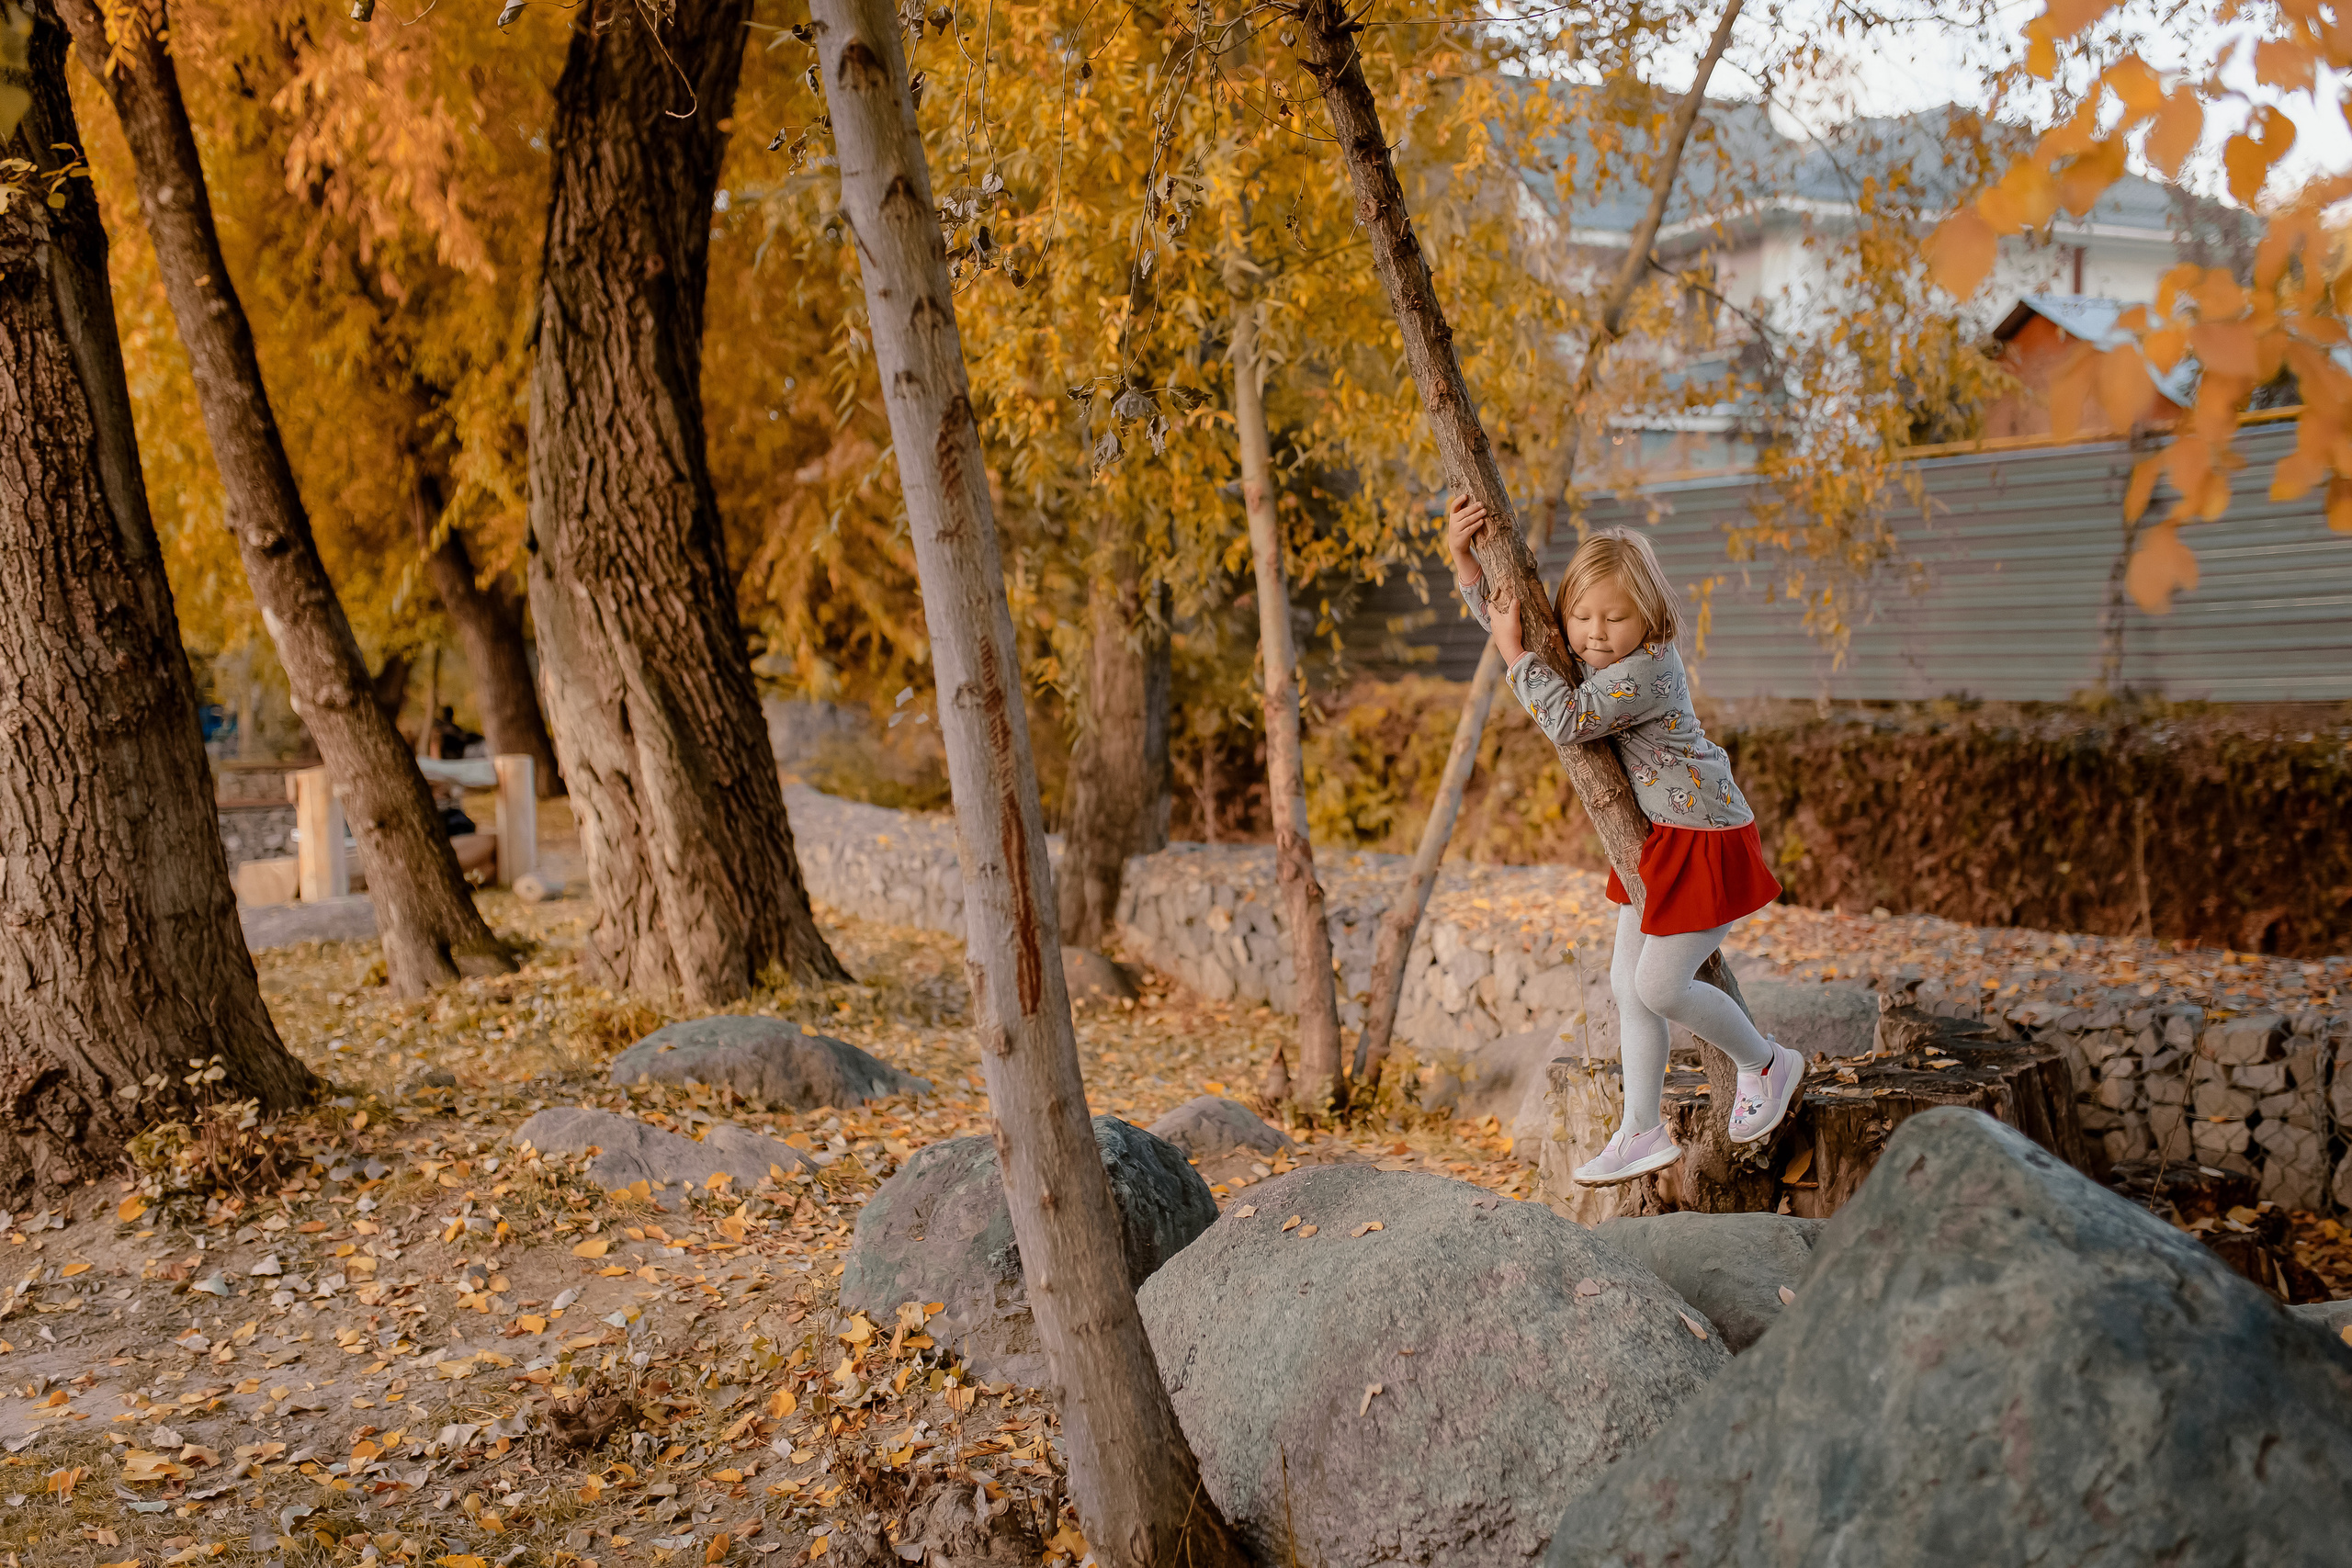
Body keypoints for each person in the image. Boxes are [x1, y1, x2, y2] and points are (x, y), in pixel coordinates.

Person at [1447, 495, 1802, 1185]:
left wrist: (1518, 655)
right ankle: (1640, 1129)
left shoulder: (1646, 670)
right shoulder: (1593, 652)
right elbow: (1506, 625)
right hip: (1658, 839)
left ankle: (1766, 1061)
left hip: (1706, 840)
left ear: (1650, 617)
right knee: (1625, 984)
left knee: (1660, 984)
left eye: (1615, 618)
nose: (1595, 633)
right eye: (1581, 617)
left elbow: (1570, 715)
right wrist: (1466, 560)